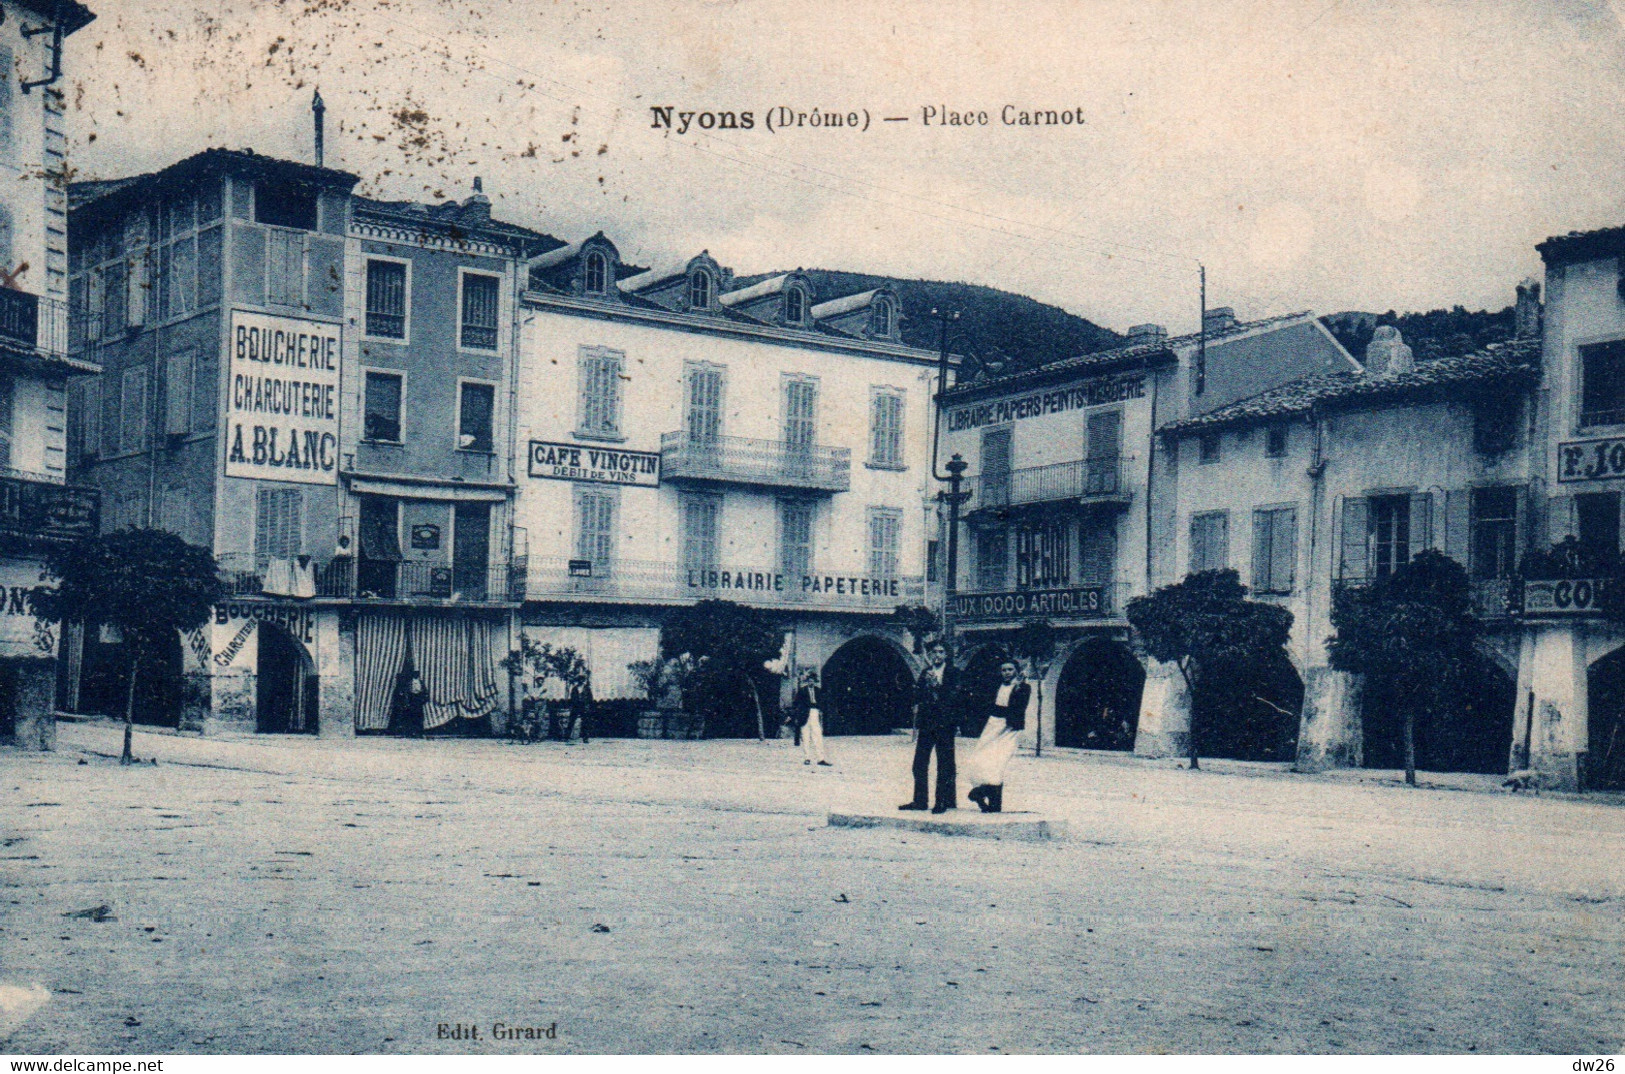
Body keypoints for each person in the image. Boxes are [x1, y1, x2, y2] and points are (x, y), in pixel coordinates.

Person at [965, 659, 1031, 813]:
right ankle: (984, 795)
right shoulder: (996, 685)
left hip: (1009, 728)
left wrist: (1018, 687)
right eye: (1004, 670)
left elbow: (1020, 706)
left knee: (999, 762)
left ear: (1016, 670)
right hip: (993, 725)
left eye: (1010, 669)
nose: (1007, 673)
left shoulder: (1024, 687)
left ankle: (982, 794)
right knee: (980, 759)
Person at [901, 641, 958, 813]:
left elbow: (956, 697)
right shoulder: (926, 672)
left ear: (946, 655)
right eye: (934, 652)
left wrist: (937, 687)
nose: (937, 655)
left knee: (944, 764)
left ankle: (943, 801)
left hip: (945, 724)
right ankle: (920, 801)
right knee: (919, 763)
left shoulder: (953, 673)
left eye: (941, 652)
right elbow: (918, 694)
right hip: (927, 723)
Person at [790, 669, 832, 766]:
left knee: (817, 735)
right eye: (809, 680)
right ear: (807, 681)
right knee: (805, 736)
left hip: (815, 712)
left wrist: (819, 709)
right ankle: (807, 758)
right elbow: (796, 703)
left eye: (812, 680)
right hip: (804, 714)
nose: (811, 682)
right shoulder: (802, 691)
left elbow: (823, 702)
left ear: (815, 681)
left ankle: (820, 758)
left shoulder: (818, 691)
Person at [568, 676, 595, 743]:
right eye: (580, 679)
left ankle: (585, 738)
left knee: (585, 722)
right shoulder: (574, 688)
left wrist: (589, 706)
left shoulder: (587, 688)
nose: (581, 680)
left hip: (584, 706)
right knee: (571, 720)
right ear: (578, 680)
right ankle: (567, 736)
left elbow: (590, 698)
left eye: (582, 679)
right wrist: (573, 705)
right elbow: (572, 697)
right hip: (576, 706)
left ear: (584, 680)